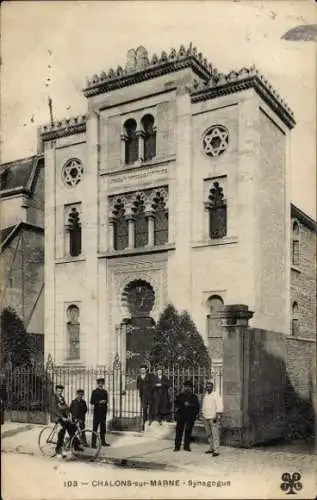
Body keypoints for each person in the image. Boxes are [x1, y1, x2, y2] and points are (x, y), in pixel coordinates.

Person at [50, 384, 83, 457]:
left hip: (63, 416)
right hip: (56, 417)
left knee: (71, 427)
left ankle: (76, 445)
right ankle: (58, 449)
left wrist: (69, 414)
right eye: (58, 391)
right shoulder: (53, 398)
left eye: (61, 391)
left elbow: (66, 408)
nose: (60, 392)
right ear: (56, 390)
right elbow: (54, 410)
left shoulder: (62, 398)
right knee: (62, 431)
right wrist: (62, 417)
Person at [174, 380, 200, 452]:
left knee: (188, 432)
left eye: (189, 387)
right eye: (186, 387)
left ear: (191, 388)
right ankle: (177, 446)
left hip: (190, 417)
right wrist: (181, 406)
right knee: (179, 431)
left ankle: (186, 446)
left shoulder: (194, 397)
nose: (187, 388)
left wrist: (190, 405)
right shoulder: (180, 396)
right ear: (184, 387)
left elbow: (197, 407)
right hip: (181, 416)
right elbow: (176, 405)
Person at [201, 380, 223, 457]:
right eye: (207, 386)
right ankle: (211, 448)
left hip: (213, 417)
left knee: (215, 434)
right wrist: (202, 415)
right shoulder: (205, 395)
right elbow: (203, 405)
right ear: (206, 387)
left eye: (210, 386)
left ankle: (216, 450)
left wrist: (217, 416)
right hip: (205, 417)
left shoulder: (216, 395)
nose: (208, 388)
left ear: (212, 387)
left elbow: (219, 405)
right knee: (209, 434)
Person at [90, 378, 110, 448]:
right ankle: (93, 443)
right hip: (97, 412)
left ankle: (103, 442)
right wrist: (99, 402)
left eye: (102, 383)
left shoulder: (105, 391)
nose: (101, 384)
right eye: (99, 383)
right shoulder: (94, 392)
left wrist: (105, 402)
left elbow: (107, 401)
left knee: (103, 428)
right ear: (97, 384)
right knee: (95, 428)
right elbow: (92, 401)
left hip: (103, 412)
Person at [136, 364, 154, 430]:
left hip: (150, 395)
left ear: (146, 370)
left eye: (143, 369)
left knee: (151, 408)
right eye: (141, 369)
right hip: (143, 396)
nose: (142, 371)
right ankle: (144, 424)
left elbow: (152, 385)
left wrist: (150, 392)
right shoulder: (139, 377)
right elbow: (137, 386)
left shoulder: (150, 376)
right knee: (144, 409)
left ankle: (150, 422)